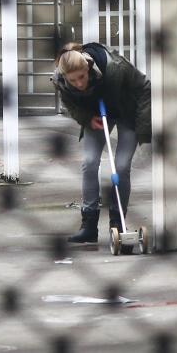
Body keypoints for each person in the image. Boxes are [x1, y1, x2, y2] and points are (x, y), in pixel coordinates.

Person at [51, 42, 151, 243]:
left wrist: (142, 129)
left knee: (121, 167)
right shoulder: (60, 80)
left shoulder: (116, 67)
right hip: (97, 114)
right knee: (89, 162)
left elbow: (145, 87)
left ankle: (118, 222)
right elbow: (70, 104)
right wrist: (87, 119)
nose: (79, 83)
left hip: (127, 112)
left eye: (82, 77)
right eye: (73, 80)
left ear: (88, 67)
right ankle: (88, 224)